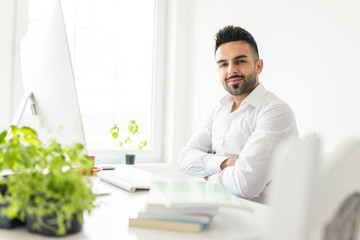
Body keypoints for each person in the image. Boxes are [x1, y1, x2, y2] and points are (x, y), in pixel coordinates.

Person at [178, 25, 298, 203]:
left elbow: (245, 184)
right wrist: (226, 163)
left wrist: (208, 173)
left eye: (240, 61)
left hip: (260, 223)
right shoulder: (219, 110)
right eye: (223, 64)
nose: (231, 70)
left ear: (259, 66)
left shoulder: (275, 111)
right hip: (220, 214)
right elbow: (184, 159)